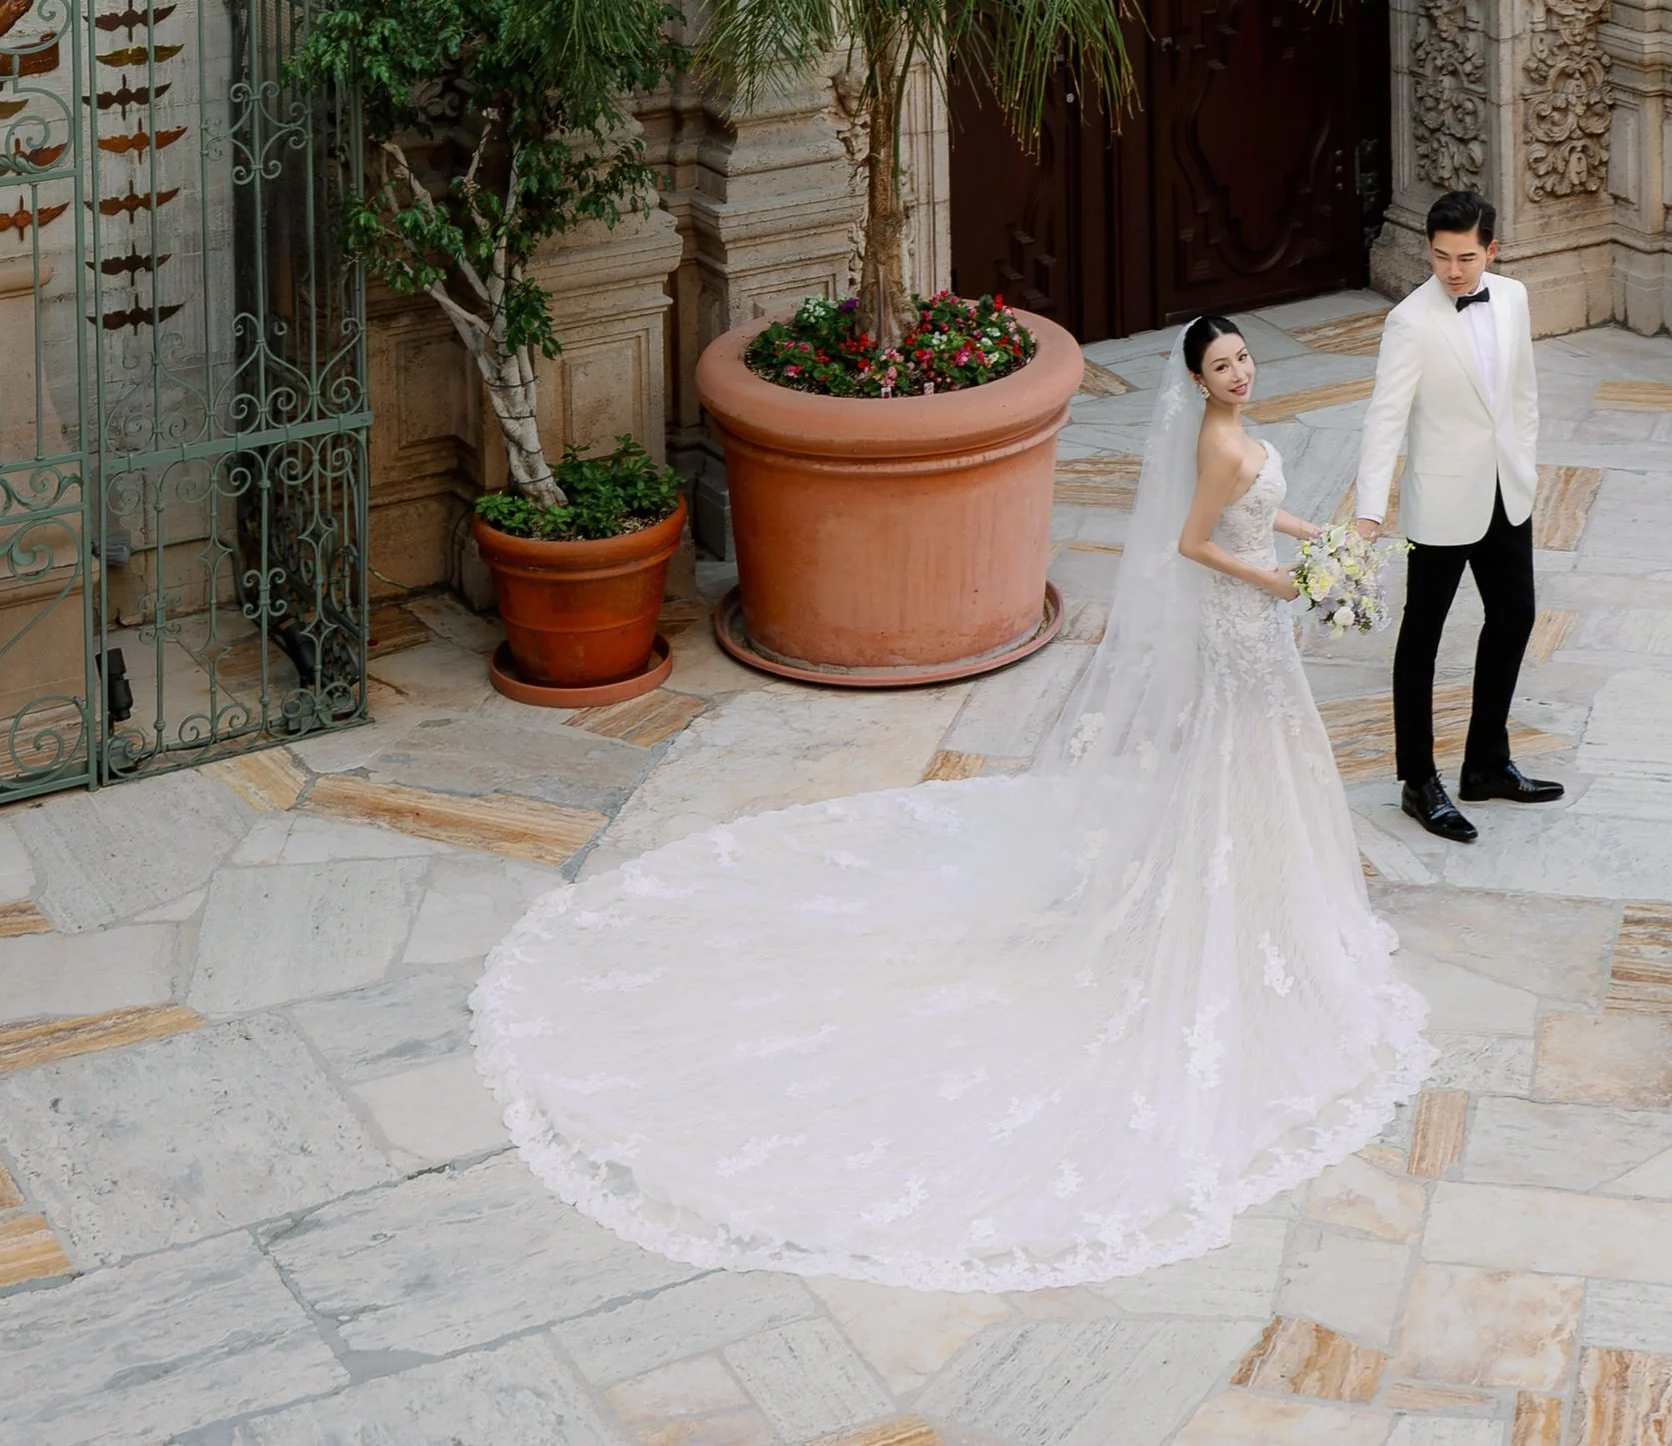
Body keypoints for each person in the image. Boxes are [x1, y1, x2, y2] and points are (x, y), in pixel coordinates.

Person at [471, 311, 1430, 1289]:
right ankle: (1233, 908)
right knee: (1241, 755)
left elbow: (1260, 515)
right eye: (1221, 365)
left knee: (1264, 759)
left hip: (1260, 619)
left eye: (1242, 359)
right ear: (1197, 377)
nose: (1239, 374)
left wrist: (1328, 546)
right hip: (1241, 619)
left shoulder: (1235, 440)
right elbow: (1198, 546)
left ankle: (1269, 899)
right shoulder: (1217, 445)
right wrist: (1279, 580)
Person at [1354, 194, 1563, 843]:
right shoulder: (1409, 322)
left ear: (1491, 250)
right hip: (1442, 501)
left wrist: (1522, 456)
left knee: (1516, 615)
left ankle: (1486, 764)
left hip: (1507, 490)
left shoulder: (1514, 297)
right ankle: (1419, 781)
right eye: (1440, 256)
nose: (1452, 269)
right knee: (1423, 638)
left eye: (1465, 256)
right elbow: (1384, 418)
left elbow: (1523, 392)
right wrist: (1367, 510)